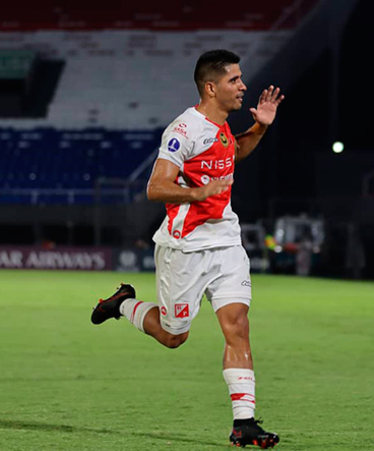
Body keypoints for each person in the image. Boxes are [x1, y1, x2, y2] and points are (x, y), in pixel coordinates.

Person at [91, 49, 283, 448]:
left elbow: (234, 155)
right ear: (211, 87)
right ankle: (123, 303)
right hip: (186, 248)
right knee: (174, 335)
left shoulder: (225, 127)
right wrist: (197, 192)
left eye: (242, 78)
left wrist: (260, 129)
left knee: (238, 326)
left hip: (226, 241)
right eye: (235, 80)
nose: (243, 86)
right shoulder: (184, 130)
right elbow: (155, 186)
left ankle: (243, 423)